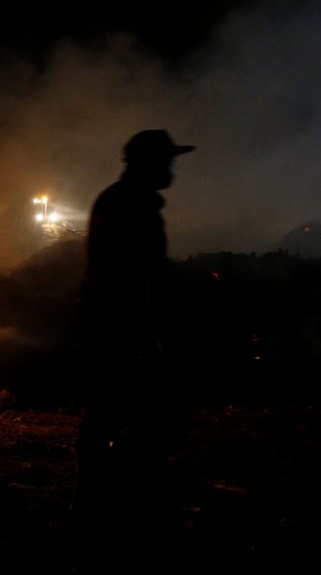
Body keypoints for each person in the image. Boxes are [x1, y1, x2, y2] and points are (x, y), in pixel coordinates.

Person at [72, 129, 195, 524]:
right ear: (152, 163)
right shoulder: (133, 204)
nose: (174, 169)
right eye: (169, 161)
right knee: (133, 415)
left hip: (111, 324)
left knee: (114, 414)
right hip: (123, 327)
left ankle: (102, 499)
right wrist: (150, 335)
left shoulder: (119, 199)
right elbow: (135, 277)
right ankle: (120, 502)